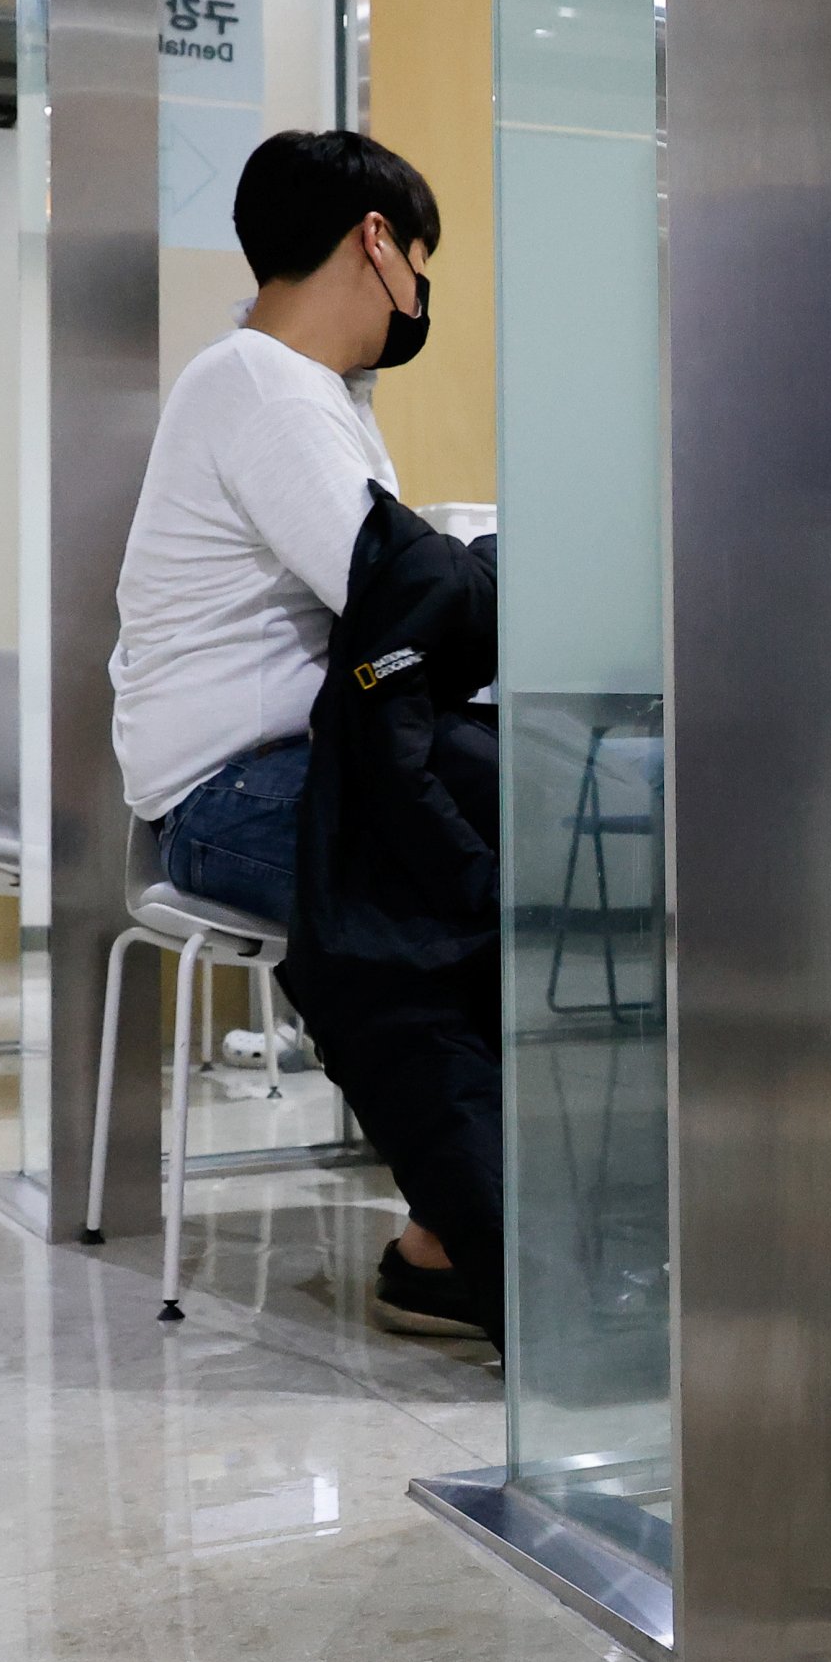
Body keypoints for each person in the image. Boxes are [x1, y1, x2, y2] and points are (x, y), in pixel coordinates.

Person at [111, 128, 493, 1336]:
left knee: (500, 856)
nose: (419, 292)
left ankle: (461, 1229)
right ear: (377, 242)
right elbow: (392, 594)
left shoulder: (297, 392)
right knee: (455, 895)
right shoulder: (264, 385)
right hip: (232, 792)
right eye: (420, 260)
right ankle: (476, 1233)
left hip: (281, 769)